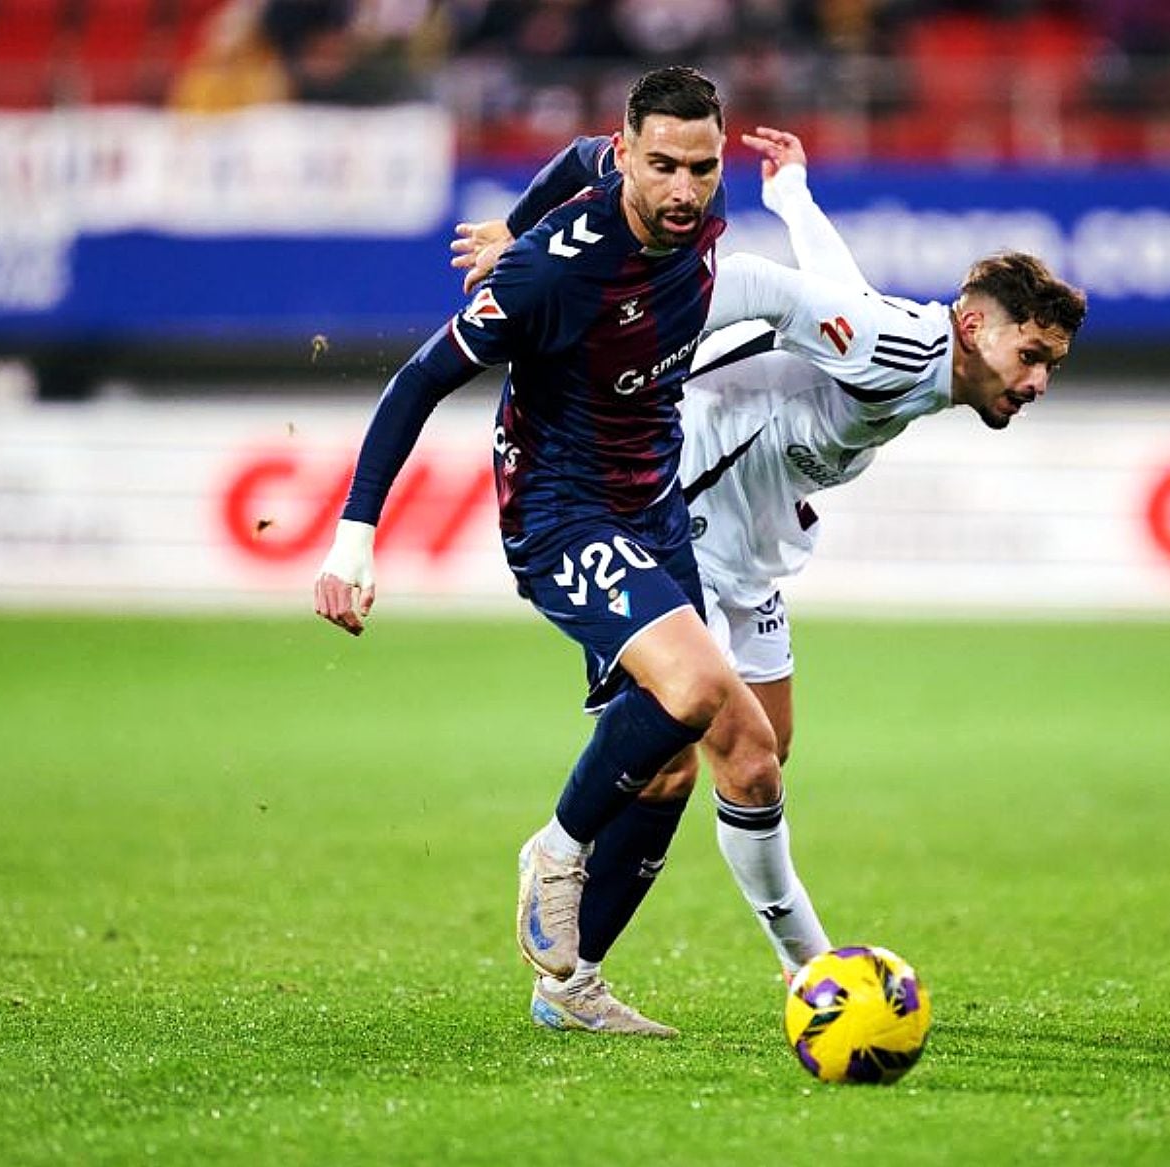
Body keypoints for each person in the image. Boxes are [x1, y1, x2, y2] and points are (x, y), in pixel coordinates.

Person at [453, 128, 1088, 982]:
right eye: (1032, 355)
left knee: (754, 753)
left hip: (754, 549)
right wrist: (628, 310)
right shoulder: (904, 348)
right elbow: (769, 289)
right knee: (730, 758)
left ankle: (576, 976)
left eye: (1051, 364)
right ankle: (810, 972)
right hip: (677, 518)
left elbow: (836, 288)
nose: (1039, 380)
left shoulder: (910, 349)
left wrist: (793, 194)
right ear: (974, 327)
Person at [315, 66, 797, 1039]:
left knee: (694, 762)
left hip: (651, 503)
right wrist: (353, 539)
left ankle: (568, 989)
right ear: (630, 156)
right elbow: (417, 382)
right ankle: (556, 850)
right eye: (659, 164)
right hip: (561, 512)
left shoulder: (682, 207)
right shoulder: (557, 272)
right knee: (699, 691)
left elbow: (575, 158)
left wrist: (510, 222)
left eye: (699, 168)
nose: (682, 188)